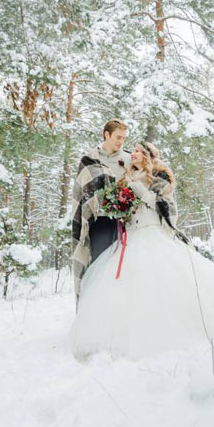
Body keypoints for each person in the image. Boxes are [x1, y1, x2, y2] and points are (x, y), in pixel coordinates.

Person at [70, 142, 214, 361]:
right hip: (129, 238)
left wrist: (140, 191)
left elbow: (164, 206)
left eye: (139, 151)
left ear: (148, 156)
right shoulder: (125, 177)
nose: (134, 154)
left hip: (152, 234)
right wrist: (119, 205)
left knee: (162, 285)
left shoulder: (159, 178)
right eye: (134, 151)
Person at [70, 119, 132, 306]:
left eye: (124, 138)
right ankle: (96, 311)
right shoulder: (89, 160)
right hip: (100, 224)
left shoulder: (129, 160)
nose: (121, 142)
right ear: (106, 134)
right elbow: (81, 196)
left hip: (126, 224)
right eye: (118, 137)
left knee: (124, 272)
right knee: (99, 268)